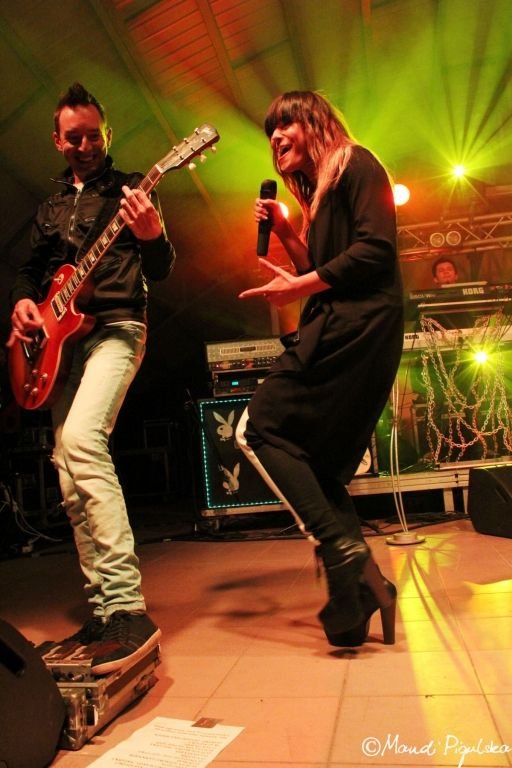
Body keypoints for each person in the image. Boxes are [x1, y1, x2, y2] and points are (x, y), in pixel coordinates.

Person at [6, 83, 176, 674]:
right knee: (67, 471)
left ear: (108, 133)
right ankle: (104, 611)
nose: (85, 145)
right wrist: (23, 304)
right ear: (58, 141)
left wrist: (151, 233)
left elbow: (161, 267)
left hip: (118, 327)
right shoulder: (51, 206)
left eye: (93, 135)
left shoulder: (131, 190)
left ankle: (128, 606)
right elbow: (31, 271)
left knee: (82, 440)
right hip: (62, 342)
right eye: (73, 137)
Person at [236, 91, 403, 647]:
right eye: (270, 131)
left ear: (315, 122)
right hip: (343, 321)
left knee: (262, 426)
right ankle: (363, 593)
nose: (276, 137)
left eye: (285, 123)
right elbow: (324, 266)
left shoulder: (357, 164)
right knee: (319, 465)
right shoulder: (319, 192)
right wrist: (288, 232)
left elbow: (376, 251)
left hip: (359, 324)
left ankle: (340, 549)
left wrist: (299, 286)